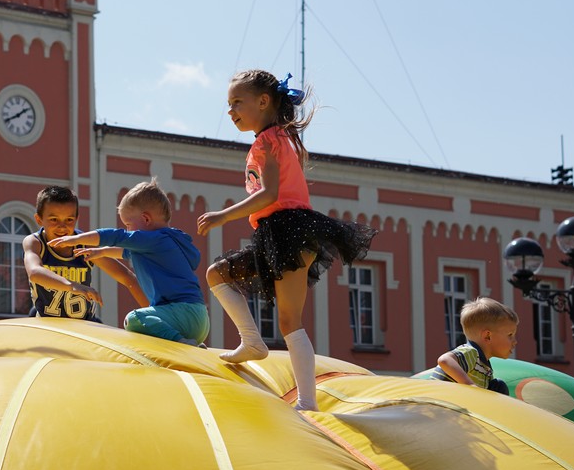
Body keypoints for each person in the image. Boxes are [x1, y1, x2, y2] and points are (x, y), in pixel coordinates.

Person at [196, 70, 376, 411]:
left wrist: (222, 215)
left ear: (263, 102)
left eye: (237, 102)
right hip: (277, 232)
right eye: (228, 104)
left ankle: (307, 401)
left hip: (289, 231)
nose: (230, 110)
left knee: (290, 320)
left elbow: (270, 194)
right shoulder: (272, 139)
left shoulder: (270, 140)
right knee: (217, 274)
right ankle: (252, 341)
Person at [49, 179, 209, 345]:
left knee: (135, 319)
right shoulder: (164, 241)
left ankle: (181, 343)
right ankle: (189, 341)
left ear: (146, 219)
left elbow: (115, 236)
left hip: (183, 314)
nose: (127, 230)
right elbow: (125, 252)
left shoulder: (154, 239)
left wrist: (75, 239)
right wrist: (100, 252)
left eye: (128, 224)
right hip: (197, 319)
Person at [24, 186, 149, 321]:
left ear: (77, 218)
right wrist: (72, 286)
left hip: (83, 324)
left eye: (69, 220)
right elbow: (35, 272)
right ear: (39, 219)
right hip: (48, 323)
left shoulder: (84, 244)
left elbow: (127, 278)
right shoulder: (35, 242)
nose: (62, 226)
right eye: (54, 219)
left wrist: (154, 312)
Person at [426, 297, 516, 394]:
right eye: (510, 335)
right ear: (488, 336)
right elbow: (444, 360)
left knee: (498, 386)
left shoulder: (485, 368)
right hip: (438, 403)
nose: (515, 341)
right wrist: (469, 385)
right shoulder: (471, 353)